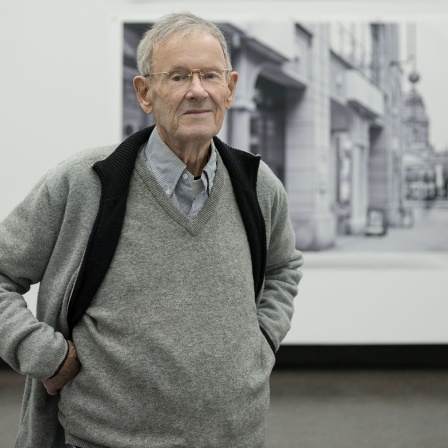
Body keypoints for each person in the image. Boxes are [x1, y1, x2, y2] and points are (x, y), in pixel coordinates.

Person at [0, 12, 303, 448]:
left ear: (230, 88)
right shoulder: (84, 182)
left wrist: (262, 341)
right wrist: (44, 356)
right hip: (103, 438)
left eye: (209, 76)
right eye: (178, 76)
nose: (197, 91)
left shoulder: (257, 185)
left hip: (235, 436)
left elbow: (283, 268)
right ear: (145, 92)